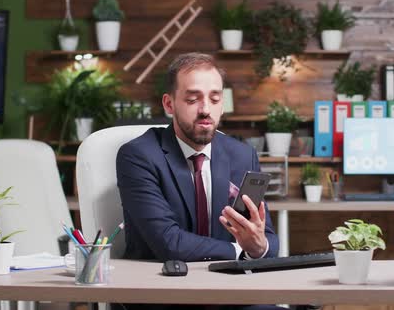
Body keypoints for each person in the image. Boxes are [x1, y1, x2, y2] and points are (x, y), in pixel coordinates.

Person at [116, 53, 281, 310]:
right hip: (161, 295)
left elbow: (266, 237)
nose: (205, 109)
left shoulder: (241, 155)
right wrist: (240, 250)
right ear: (169, 104)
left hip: (226, 293)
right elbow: (169, 242)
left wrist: (259, 248)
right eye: (193, 99)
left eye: (215, 99)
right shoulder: (138, 155)